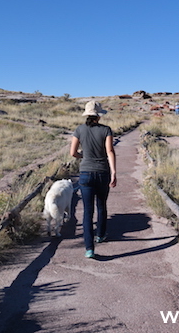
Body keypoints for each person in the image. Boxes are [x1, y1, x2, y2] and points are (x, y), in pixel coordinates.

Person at [70, 101, 117, 259]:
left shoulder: (79, 130)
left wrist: (84, 156)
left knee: (87, 212)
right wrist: (114, 172)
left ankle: (89, 248)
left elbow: (73, 153)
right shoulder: (106, 130)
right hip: (102, 172)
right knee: (101, 206)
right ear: (99, 115)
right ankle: (101, 235)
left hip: (85, 174)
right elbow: (110, 151)